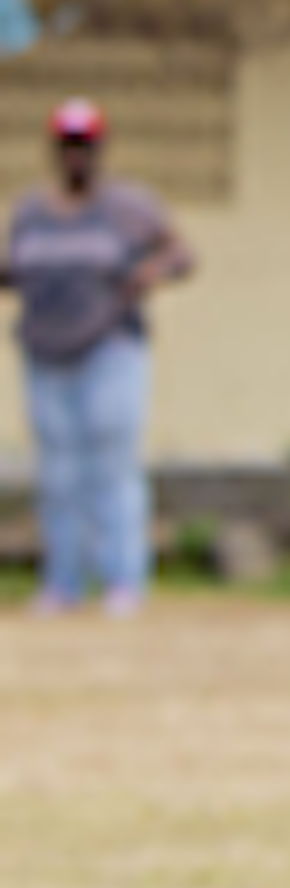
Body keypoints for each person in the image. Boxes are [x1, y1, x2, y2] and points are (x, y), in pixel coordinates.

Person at [5, 101, 195, 615]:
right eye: (67, 148)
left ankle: (122, 581)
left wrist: (150, 273)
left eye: (84, 148)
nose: (75, 159)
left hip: (109, 349)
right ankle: (63, 582)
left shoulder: (129, 209)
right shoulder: (31, 213)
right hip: (46, 353)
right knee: (59, 473)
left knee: (111, 464)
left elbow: (181, 255)